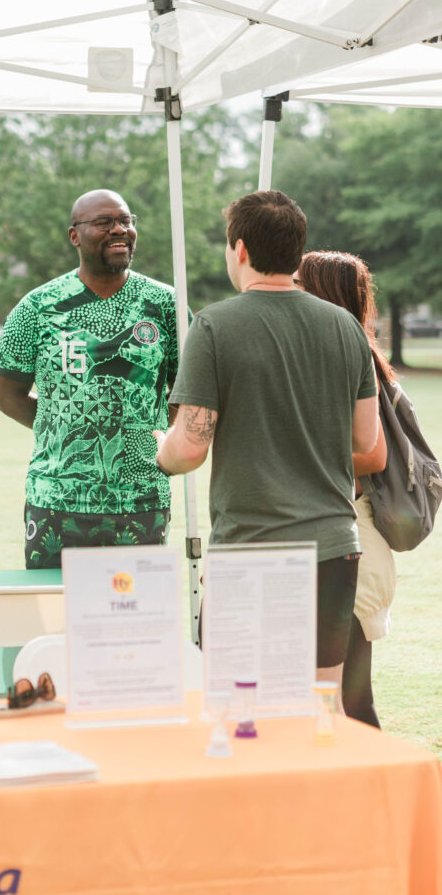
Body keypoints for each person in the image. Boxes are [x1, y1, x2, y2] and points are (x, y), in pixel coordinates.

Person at [154, 190, 379, 700]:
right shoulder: (344, 325)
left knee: (240, 705)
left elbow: (188, 448)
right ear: (296, 254)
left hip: (251, 549)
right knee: (325, 706)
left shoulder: (215, 325)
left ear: (238, 249)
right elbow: (366, 439)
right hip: (334, 548)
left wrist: (157, 449)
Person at [0, 188, 183, 569]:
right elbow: (7, 395)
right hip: (56, 500)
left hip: (140, 498)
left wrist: (154, 438)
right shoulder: (36, 308)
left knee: (136, 616)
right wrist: (63, 428)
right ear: (74, 235)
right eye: (104, 222)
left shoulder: (167, 305)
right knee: (56, 618)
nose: (120, 230)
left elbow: (186, 390)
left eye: (126, 221)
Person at [298, 250, 393, 728]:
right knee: (339, 701)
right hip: (347, 538)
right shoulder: (342, 353)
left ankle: (387, 800)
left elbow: (373, 456)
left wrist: (295, 457)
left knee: (351, 705)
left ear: (323, 294)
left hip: (351, 538)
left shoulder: (354, 361)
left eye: (299, 283)